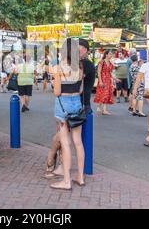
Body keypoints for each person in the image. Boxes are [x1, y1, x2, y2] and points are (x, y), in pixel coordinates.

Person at [48, 38, 85, 190]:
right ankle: (80, 177)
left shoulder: (59, 68)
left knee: (65, 143)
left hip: (63, 104)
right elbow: (81, 89)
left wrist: (54, 82)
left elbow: (57, 91)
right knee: (78, 142)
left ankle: (66, 181)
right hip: (77, 103)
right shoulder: (80, 67)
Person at [94, 50, 115, 116]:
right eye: (110, 54)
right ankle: (98, 107)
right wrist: (100, 81)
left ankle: (104, 110)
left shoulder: (110, 63)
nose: (111, 55)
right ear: (106, 55)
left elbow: (110, 72)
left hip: (108, 80)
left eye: (111, 54)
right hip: (103, 80)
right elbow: (99, 72)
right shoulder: (101, 62)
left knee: (107, 94)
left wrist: (115, 79)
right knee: (103, 94)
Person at [78, 39, 96, 114]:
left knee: (78, 124)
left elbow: (77, 77)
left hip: (83, 101)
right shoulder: (80, 62)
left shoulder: (86, 63)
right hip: (80, 99)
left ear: (85, 50)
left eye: (78, 48)